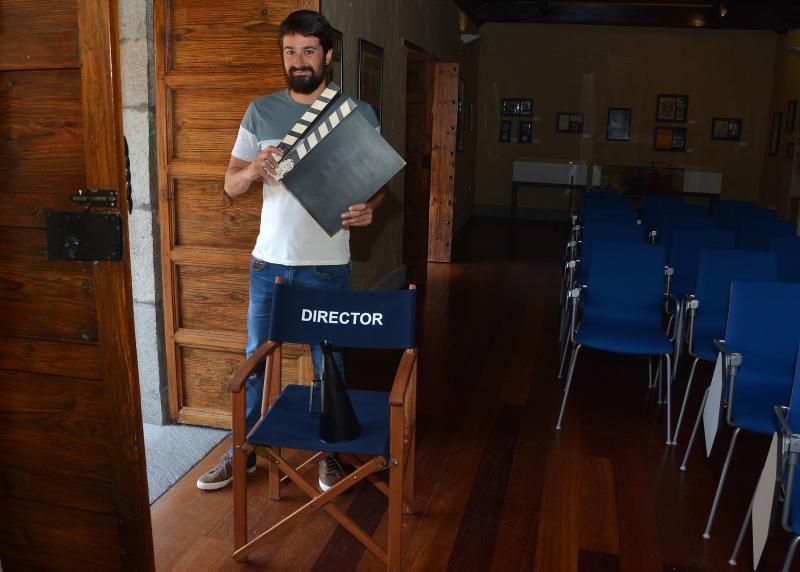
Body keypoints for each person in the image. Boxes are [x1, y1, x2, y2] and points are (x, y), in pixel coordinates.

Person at [196, 10, 383, 492]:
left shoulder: (356, 113)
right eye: (290, 51)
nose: (298, 61)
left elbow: (375, 185)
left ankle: (330, 454)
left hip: (327, 267)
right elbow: (231, 186)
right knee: (255, 362)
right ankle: (246, 452)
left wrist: (369, 209)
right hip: (268, 264)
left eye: (308, 51)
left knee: (329, 365)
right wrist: (254, 170)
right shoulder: (260, 111)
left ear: (327, 56)